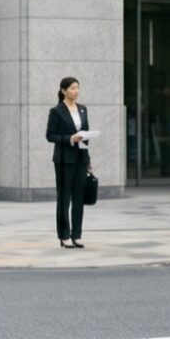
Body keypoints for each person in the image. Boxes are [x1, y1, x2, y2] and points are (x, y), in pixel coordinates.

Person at [45, 77, 94, 248]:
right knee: (64, 198)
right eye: (73, 88)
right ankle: (64, 235)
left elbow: (85, 132)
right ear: (64, 91)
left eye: (78, 88)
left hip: (81, 158)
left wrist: (88, 159)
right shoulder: (57, 111)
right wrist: (70, 139)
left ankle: (77, 235)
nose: (76, 91)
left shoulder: (82, 109)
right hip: (64, 160)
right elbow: (50, 135)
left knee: (79, 198)